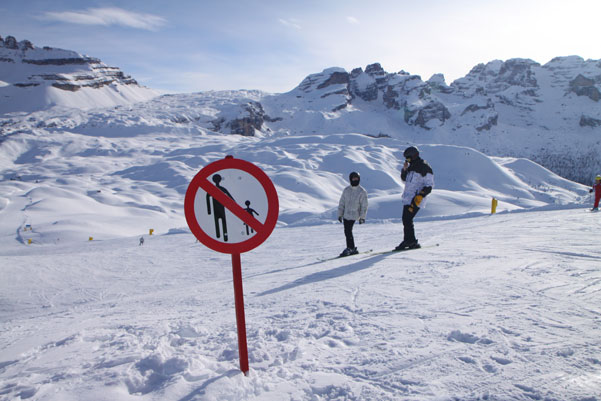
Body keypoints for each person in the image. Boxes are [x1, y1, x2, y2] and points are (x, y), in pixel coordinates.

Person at [395, 146, 434, 251]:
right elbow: (405, 180)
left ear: (413, 156)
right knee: (406, 219)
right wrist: (404, 170)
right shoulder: (411, 167)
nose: (407, 161)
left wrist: (420, 195)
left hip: (416, 198)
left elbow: (429, 185)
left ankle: (410, 241)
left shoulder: (424, 167)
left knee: (408, 218)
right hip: (408, 197)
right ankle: (409, 241)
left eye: (408, 158)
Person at [337, 171, 368, 257]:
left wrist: (362, 217)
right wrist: (340, 214)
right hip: (346, 214)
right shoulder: (346, 190)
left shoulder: (362, 191)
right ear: (350, 179)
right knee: (347, 231)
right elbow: (342, 203)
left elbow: (364, 206)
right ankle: (351, 248)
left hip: (354, 214)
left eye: (356, 178)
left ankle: (351, 248)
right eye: (353, 178)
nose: (355, 179)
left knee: (348, 230)